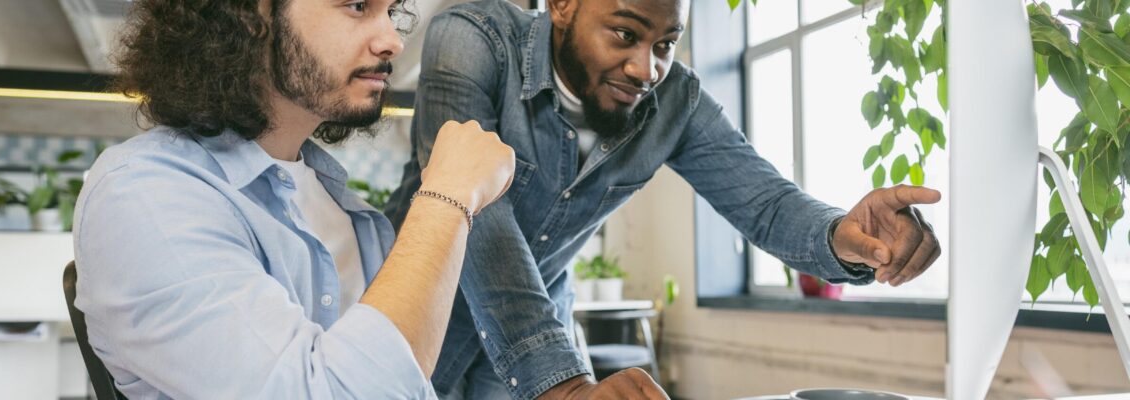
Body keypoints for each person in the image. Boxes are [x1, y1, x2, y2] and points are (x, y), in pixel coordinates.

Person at [385, 0, 942, 399]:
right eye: (625, 34)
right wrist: (562, 382)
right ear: (563, 5)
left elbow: (767, 203)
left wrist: (842, 235)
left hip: (535, 329)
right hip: (408, 315)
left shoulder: (678, 101)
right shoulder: (471, 37)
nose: (646, 69)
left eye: (666, 45)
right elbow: (477, 210)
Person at [72, 0, 514, 398]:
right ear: (252, 16)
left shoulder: (341, 205)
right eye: (358, 6)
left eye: (392, 12)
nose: (393, 42)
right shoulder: (144, 193)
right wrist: (446, 198)